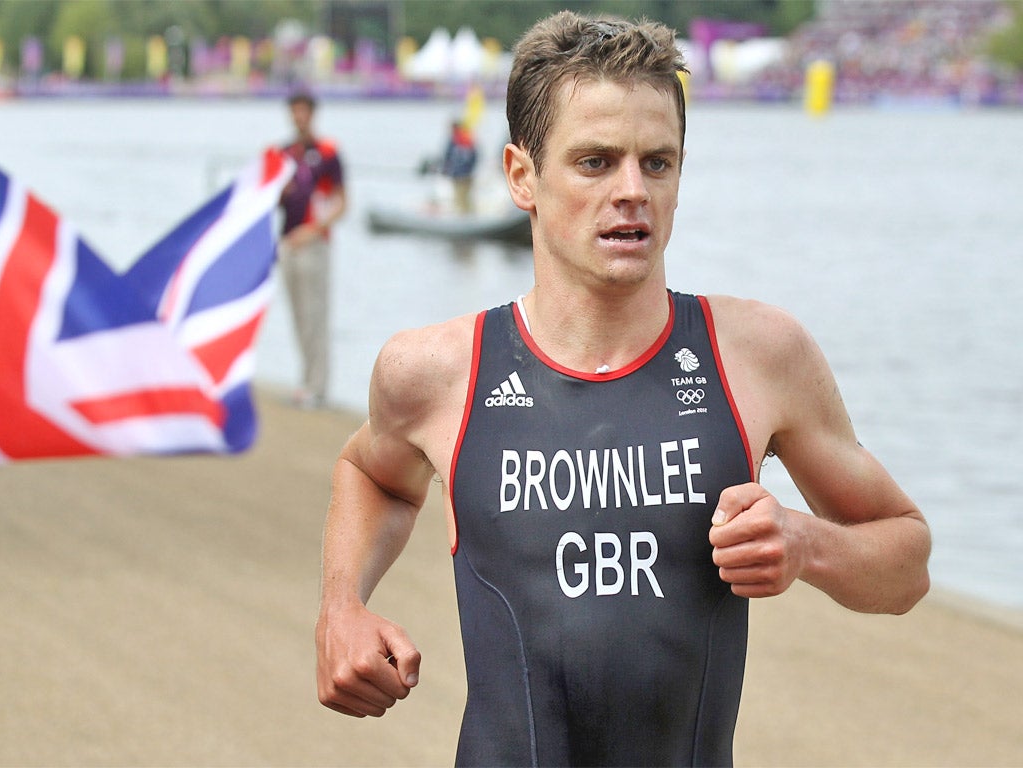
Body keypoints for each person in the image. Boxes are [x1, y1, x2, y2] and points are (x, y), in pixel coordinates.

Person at [315, 11, 931, 765]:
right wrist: (342, 606)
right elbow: (374, 474)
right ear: (521, 176)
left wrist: (807, 544)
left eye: (658, 162)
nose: (633, 190)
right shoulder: (436, 372)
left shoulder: (759, 356)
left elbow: (906, 563)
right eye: (597, 161)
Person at [278, 90, 346, 409]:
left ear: (312, 114)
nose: (299, 116)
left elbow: (341, 203)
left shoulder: (328, 152)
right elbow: (275, 198)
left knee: (315, 315)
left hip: (315, 242)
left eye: (304, 110)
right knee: (297, 315)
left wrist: (314, 230)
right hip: (287, 241)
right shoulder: (284, 154)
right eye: (295, 110)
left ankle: (318, 386)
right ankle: (305, 380)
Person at [441, 119, 478, 213]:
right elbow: (474, 157)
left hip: (460, 175)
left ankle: (464, 217)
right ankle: (468, 215)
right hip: (466, 174)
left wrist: (446, 169)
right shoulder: (467, 139)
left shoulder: (455, 140)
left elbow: (447, 157)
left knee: (460, 198)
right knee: (466, 198)